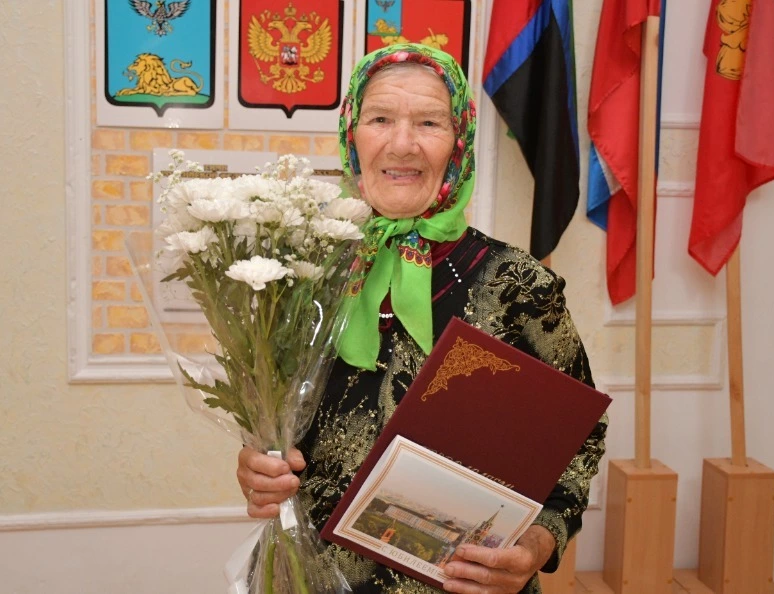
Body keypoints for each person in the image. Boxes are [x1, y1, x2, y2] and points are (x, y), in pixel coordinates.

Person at [237, 43, 607, 594]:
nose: (402, 144)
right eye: (380, 119)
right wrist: (256, 466)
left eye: (429, 122)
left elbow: (580, 438)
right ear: (351, 135)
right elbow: (271, 424)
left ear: (459, 141)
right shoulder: (304, 274)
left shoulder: (518, 285)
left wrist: (537, 544)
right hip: (306, 577)